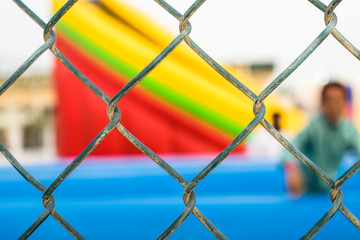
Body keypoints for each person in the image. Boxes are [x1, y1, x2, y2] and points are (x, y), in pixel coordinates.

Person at [284, 82, 360, 194]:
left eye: (338, 99)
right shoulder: (314, 125)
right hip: (307, 188)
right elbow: (293, 145)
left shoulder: (348, 130)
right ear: (323, 103)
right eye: (330, 100)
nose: (334, 104)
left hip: (330, 189)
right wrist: (292, 169)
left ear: (344, 102)